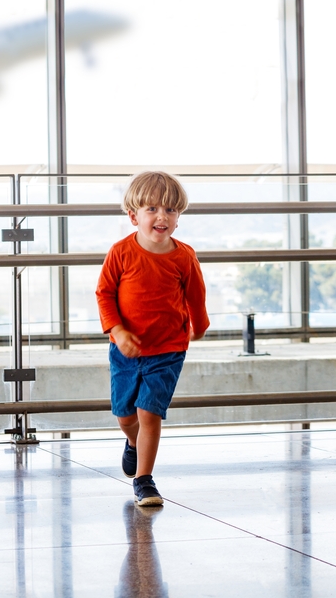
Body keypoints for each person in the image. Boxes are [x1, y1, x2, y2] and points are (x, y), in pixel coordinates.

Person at [96, 171, 209, 507]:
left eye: (171, 211)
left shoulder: (183, 256)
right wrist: (117, 330)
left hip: (168, 349)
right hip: (125, 350)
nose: (162, 217)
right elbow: (104, 294)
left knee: (149, 413)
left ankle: (144, 480)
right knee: (125, 415)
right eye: (153, 210)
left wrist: (198, 326)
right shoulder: (120, 253)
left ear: (178, 218)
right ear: (134, 216)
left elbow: (196, 296)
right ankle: (132, 443)